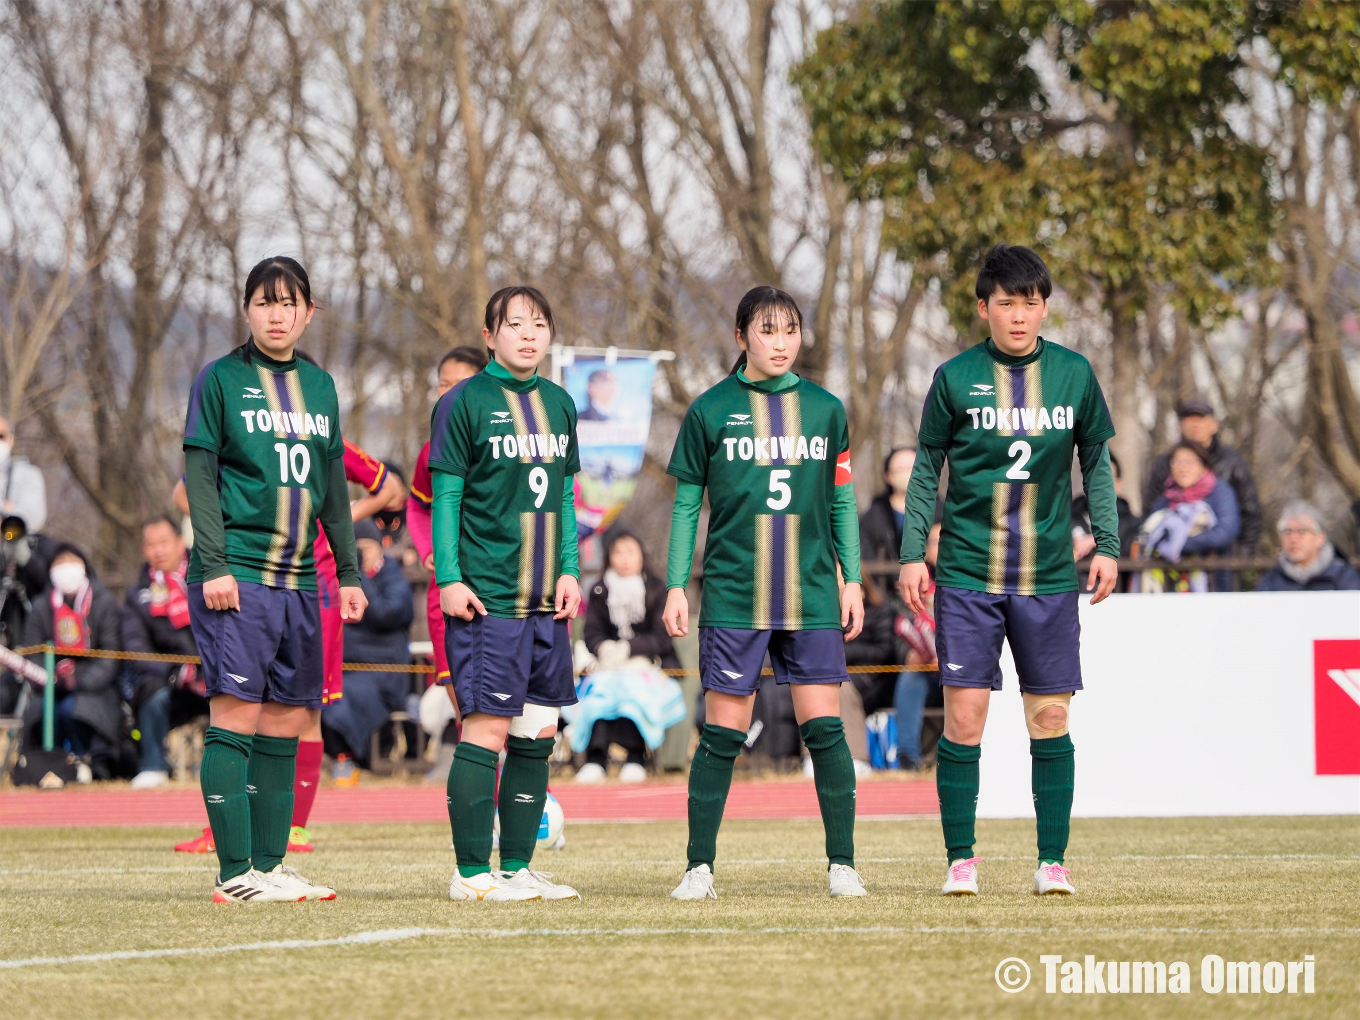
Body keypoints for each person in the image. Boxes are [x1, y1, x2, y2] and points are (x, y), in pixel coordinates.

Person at [898, 244, 1120, 898]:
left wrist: (1107, 542)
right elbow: (923, 471)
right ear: (983, 308)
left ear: (1044, 306)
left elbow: (1097, 467)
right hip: (967, 576)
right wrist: (915, 552)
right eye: (1005, 304)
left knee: (1050, 719)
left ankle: (1053, 861)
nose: (1018, 316)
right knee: (964, 719)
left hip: (1049, 577)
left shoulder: (1075, 375)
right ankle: (960, 859)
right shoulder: (955, 377)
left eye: (1029, 303)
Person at [663, 285, 867, 901]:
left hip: (811, 597)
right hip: (733, 593)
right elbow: (685, 508)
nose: (780, 343)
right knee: (724, 732)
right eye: (767, 330)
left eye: (790, 330)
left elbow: (840, 501)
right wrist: (676, 585)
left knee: (825, 731)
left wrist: (851, 579)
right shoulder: (709, 410)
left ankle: (843, 864)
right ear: (740, 337)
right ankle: (699, 867)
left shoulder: (828, 410)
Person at [182, 255, 366, 903]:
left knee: (288, 720)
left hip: (300, 582)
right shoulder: (221, 380)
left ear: (309, 312)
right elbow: (199, 478)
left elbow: (335, 488)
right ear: (246, 310)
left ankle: (270, 864)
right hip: (239, 575)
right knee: (235, 715)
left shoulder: (320, 388)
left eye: (289, 302)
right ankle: (234, 875)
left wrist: (348, 571)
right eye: (265, 302)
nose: (278, 313)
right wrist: (213, 564)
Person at [168, 402, 401, 853]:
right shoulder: (242, 427)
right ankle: (230, 826)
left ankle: (292, 827)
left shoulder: (317, 424)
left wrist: (333, 520)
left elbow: (390, 487)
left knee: (304, 709)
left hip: (316, 585)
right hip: (251, 579)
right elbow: (183, 490)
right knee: (240, 703)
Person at [430, 286, 582, 903]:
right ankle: (471, 875)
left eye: (538, 323)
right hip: (489, 598)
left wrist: (571, 569)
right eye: (514, 324)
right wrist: (448, 578)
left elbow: (564, 499)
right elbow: (446, 498)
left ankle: (517, 868)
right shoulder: (463, 403)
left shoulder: (560, 404)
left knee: (538, 731)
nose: (527, 333)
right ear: (490, 335)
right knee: (487, 730)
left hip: (547, 600)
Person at [407, 346, 488, 742]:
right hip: (447, 594)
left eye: (462, 384)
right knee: (466, 708)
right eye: (444, 384)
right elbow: (418, 507)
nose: (451, 392)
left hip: (500, 590)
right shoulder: (430, 450)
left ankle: (515, 797)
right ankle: (485, 798)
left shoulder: (509, 442)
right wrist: (429, 551)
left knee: (508, 712)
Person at [578, 529, 681, 783]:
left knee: (633, 692)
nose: (624, 558)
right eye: (618, 552)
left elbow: (661, 637)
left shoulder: (656, 588)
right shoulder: (600, 590)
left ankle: (635, 757)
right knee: (601, 692)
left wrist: (629, 648)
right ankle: (596, 758)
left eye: (630, 552)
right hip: (608, 667)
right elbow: (592, 632)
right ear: (609, 557)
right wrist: (604, 648)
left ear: (641, 555)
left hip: (649, 666)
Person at [20, 543, 124, 777]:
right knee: (45, 709)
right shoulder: (40, 606)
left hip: (94, 688)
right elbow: (32, 653)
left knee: (73, 709)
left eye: (72, 562)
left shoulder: (103, 602)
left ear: (84, 567)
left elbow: (111, 657)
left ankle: (84, 759)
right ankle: (48, 763)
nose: (66, 569)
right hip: (48, 686)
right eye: (59, 563)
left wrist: (78, 680)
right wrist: (51, 678)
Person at [320, 519, 415, 765]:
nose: (361, 554)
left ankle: (347, 757)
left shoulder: (391, 575)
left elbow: (388, 613)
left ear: (380, 549)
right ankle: (336, 756)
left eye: (367, 548)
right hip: (348, 668)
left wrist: (357, 576)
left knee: (344, 700)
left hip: (384, 672)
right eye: (356, 549)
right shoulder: (339, 578)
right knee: (321, 693)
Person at [123, 517, 207, 789]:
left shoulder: (209, 575)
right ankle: (153, 765)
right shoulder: (138, 595)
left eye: (164, 542)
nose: (158, 550)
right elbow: (136, 647)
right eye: (150, 544)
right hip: (169, 681)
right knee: (151, 690)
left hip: (215, 673)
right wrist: (176, 673)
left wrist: (207, 670)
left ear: (180, 542)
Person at [1143, 398, 1262, 555]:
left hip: (1220, 560)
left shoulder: (1232, 464)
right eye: (1190, 419)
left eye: (1201, 419)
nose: (1195, 424)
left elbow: (1248, 513)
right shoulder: (1164, 466)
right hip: (1169, 565)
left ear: (1214, 425)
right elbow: (1151, 516)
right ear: (1181, 425)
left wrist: (1243, 556)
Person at [1139, 441, 1240, 592]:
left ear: (1204, 466)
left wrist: (1179, 544)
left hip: (1213, 580)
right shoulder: (1166, 497)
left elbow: (1225, 531)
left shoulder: (1220, 492)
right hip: (1169, 582)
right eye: (1177, 461)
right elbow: (1150, 532)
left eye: (1190, 461)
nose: (1183, 467)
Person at [1256, 501, 1360, 592]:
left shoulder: (1343, 577)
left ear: (1320, 538)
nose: (1293, 539)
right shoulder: (1271, 581)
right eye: (1287, 532)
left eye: (1301, 532)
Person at [859, 447, 916, 594]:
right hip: (887, 595)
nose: (906, 473)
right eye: (900, 469)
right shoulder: (874, 515)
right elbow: (865, 552)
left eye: (911, 467)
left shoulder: (940, 510)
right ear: (888, 475)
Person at [0, 413, 47, 536]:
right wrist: (6, 509)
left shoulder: (28, 474)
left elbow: (32, 517)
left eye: (1, 436)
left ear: (11, 440)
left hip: (10, 546)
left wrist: (7, 525)